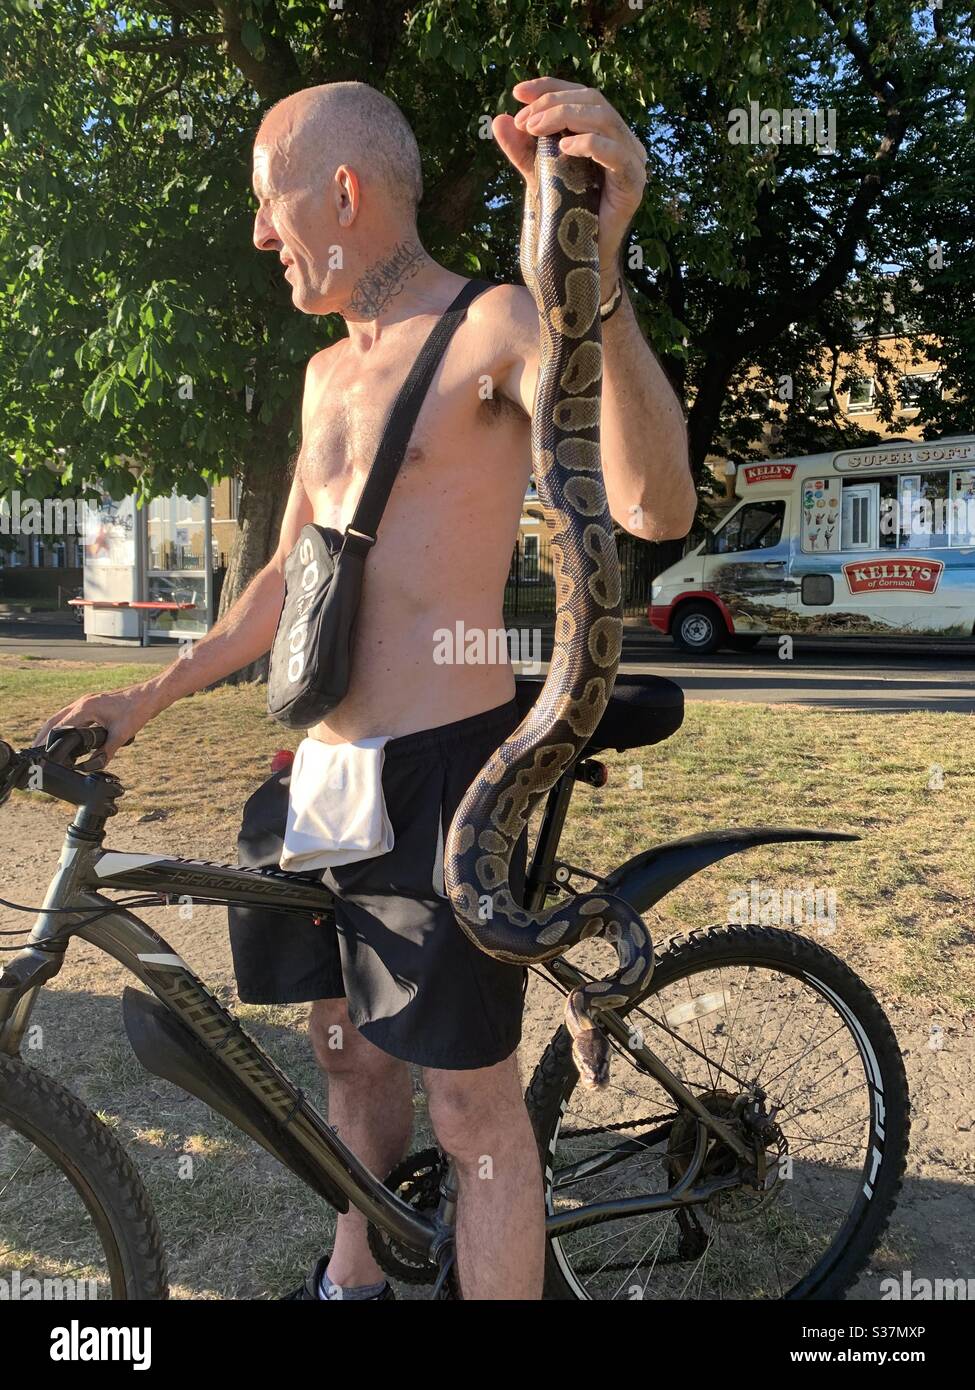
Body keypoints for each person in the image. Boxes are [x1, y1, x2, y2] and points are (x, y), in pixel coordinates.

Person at [35, 76, 695, 1301]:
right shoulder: (324, 378)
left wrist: (598, 252)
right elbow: (283, 580)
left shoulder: (499, 323)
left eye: (264, 201)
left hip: (451, 773)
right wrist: (145, 700)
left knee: (473, 1114)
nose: (255, 233)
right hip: (318, 777)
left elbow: (654, 505)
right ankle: (357, 1279)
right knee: (347, 1062)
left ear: (340, 192)